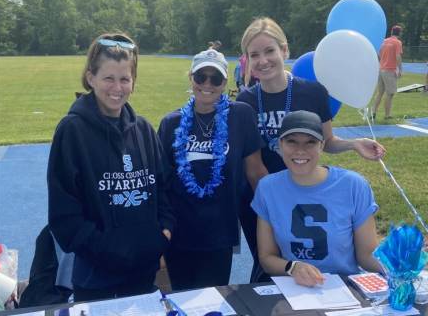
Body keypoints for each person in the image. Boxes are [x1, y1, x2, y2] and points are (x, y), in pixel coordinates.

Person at [236, 17, 385, 281]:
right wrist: (275, 203)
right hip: (266, 196)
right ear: (247, 59)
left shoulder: (313, 92)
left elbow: (326, 142)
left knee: (317, 259)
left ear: (284, 50)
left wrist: (352, 144)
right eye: (254, 54)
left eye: (269, 51)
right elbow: (253, 166)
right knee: (271, 265)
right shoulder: (246, 100)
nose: (263, 60)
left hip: (309, 190)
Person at [47, 33, 175, 302]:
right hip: (95, 279)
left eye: (124, 79)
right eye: (108, 78)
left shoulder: (143, 130)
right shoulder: (72, 131)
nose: (117, 87)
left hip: (143, 274)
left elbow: (164, 188)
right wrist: (112, 250)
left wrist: (163, 232)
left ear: (133, 82)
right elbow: (64, 217)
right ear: (90, 77)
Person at [158, 48, 267, 291]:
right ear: (191, 79)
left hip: (219, 233)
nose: (207, 84)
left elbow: (255, 172)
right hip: (179, 233)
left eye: (215, 78)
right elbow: (161, 183)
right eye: (201, 77)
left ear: (224, 82)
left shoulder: (240, 116)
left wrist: (279, 211)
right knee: (179, 300)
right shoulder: (171, 123)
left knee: (211, 302)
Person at [252, 110, 382, 286]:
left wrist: (404, 263)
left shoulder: (353, 185)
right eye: (292, 142)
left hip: (344, 288)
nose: (300, 150)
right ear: (280, 145)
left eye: (310, 142)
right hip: (293, 288)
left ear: (321, 145)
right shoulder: (268, 188)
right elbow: (267, 257)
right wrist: (293, 267)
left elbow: (366, 256)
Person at [372, 25, 403, 119]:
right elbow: (398, 56)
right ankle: (387, 115)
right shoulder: (397, 42)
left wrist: (382, 63)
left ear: (391, 32)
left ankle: (373, 113)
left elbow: (378, 54)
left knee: (380, 93)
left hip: (381, 70)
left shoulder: (384, 41)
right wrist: (400, 69)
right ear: (400, 33)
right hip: (390, 70)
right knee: (390, 94)